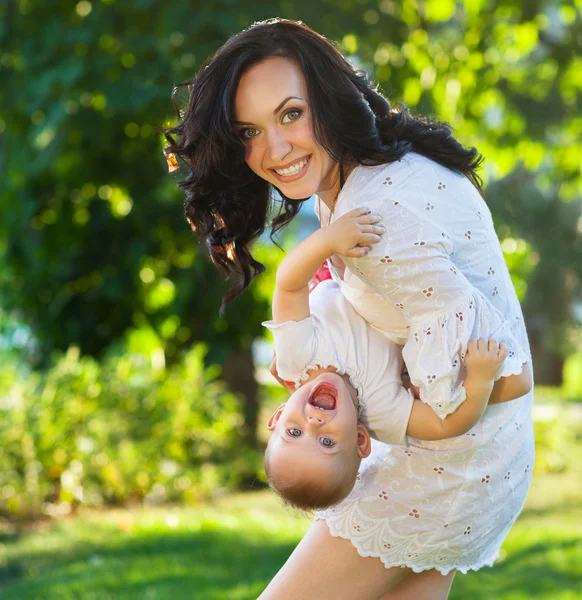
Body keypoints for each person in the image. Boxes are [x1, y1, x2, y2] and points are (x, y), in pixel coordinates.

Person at [165, 18, 534, 600]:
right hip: (477, 460)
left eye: (290, 114)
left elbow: (513, 376)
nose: (275, 149)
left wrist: (396, 396)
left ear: (330, 100)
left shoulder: (378, 224)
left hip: (447, 467)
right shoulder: (361, 177)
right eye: (248, 132)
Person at [264, 206, 525, 511]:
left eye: (294, 432)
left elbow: (288, 284)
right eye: (327, 442)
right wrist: (478, 380)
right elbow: (446, 425)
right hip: (400, 288)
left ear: (279, 416)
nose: (314, 422)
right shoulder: (381, 412)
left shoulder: (295, 358)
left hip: (337, 266)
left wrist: (327, 240)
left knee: (348, 210)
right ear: (361, 440)